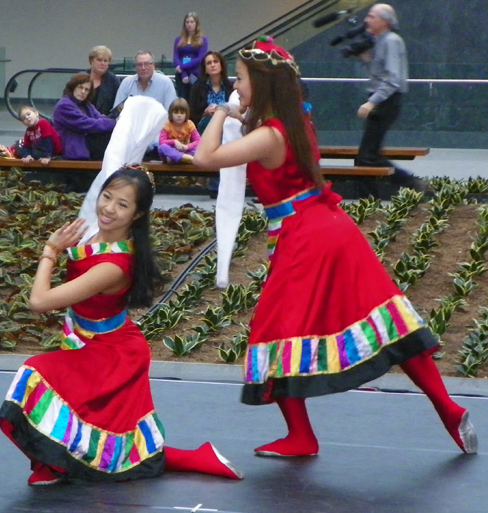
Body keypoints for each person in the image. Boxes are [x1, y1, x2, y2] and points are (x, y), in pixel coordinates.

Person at [194, 35, 478, 459]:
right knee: (386, 320)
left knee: (274, 330)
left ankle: (302, 437)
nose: (237, 84)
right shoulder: (293, 122)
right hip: (330, 228)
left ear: (263, 84)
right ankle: (449, 408)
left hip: (306, 237)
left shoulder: (270, 135)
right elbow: (254, 124)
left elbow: (204, 157)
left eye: (241, 78)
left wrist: (218, 110)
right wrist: (238, 108)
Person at [0, 167, 244, 485]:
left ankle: (187, 458)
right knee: (80, 415)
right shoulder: (96, 235)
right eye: (107, 196)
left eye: (122, 204)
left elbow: (39, 302)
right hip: (88, 339)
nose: (109, 208)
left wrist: (50, 251)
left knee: (34, 374)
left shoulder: (114, 265)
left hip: (111, 351)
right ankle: (54, 464)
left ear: (138, 214)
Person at [354, 4, 426, 195]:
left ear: (384, 21)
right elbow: (381, 71)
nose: (367, 20)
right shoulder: (381, 41)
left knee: (367, 157)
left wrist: (373, 102)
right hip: (382, 100)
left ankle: (411, 184)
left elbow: (393, 79)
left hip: (386, 101)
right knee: (368, 156)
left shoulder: (392, 41)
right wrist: (366, 58)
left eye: (371, 16)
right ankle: (371, 199)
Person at [189, 51, 233, 197]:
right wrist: (205, 112)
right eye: (209, 63)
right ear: (205, 68)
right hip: (203, 125)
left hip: (225, 126)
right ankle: (214, 183)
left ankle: (204, 179)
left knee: (221, 126)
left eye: (215, 62)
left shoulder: (229, 86)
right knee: (211, 123)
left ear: (221, 65)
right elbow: (191, 116)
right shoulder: (198, 87)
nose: (213, 65)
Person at [53, 73, 116, 161]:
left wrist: (117, 121)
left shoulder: (86, 105)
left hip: (85, 149)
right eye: (80, 87)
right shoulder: (64, 105)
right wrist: (115, 122)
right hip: (71, 152)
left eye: (86, 90)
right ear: (73, 87)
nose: (83, 92)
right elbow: (88, 124)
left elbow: (100, 118)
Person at [113, 51, 177, 112]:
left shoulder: (166, 83)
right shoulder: (126, 83)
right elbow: (118, 112)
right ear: (135, 67)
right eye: (139, 64)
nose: (143, 68)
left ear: (154, 66)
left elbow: (170, 113)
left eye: (146, 64)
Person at [173, 12, 209, 100]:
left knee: (194, 100)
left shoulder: (203, 40)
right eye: (187, 22)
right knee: (182, 99)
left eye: (192, 22)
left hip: (195, 74)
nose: (189, 24)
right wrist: (183, 73)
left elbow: (200, 59)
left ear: (196, 24)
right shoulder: (178, 40)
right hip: (181, 75)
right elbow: (176, 57)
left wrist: (182, 66)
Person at [158, 98, 200, 164]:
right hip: (171, 153)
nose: (179, 115)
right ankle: (181, 157)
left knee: (199, 148)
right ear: (171, 113)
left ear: (186, 114)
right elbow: (161, 142)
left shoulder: (189, 124)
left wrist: (187, 147)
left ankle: (183, 158)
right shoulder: (167, 124)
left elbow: (198, 140)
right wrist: (174, 142)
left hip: (186, 151)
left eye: (182, 113)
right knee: (162, 148)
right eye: (176, 112)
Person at [87, 45, 120, 116]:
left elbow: (118, 107)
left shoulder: (113, 81)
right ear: (91, 61)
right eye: (99, 60)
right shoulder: (80, 78)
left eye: (105, 61)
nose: (102, 63)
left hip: (105, 123)